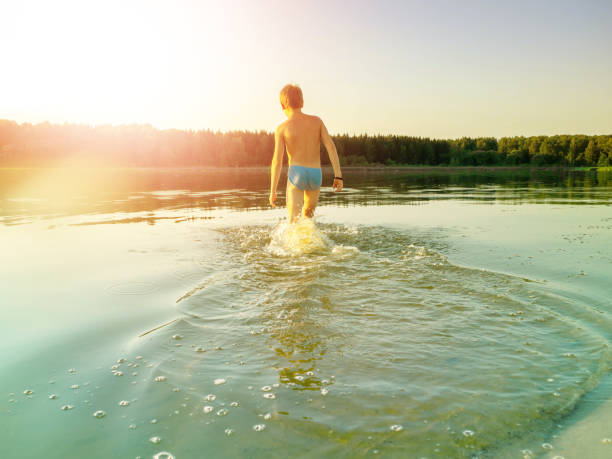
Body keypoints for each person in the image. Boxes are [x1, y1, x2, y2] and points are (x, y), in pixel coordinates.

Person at [269, 84, 343, 223]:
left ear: (282, 105)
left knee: (293, 222)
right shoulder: (317, 121)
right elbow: (331, 147)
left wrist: (273, 190)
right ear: (302, 102)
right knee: (308, 219)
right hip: (315, 174)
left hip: (296, 173)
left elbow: (277, 162)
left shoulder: (282, 128)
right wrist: (338, 176)